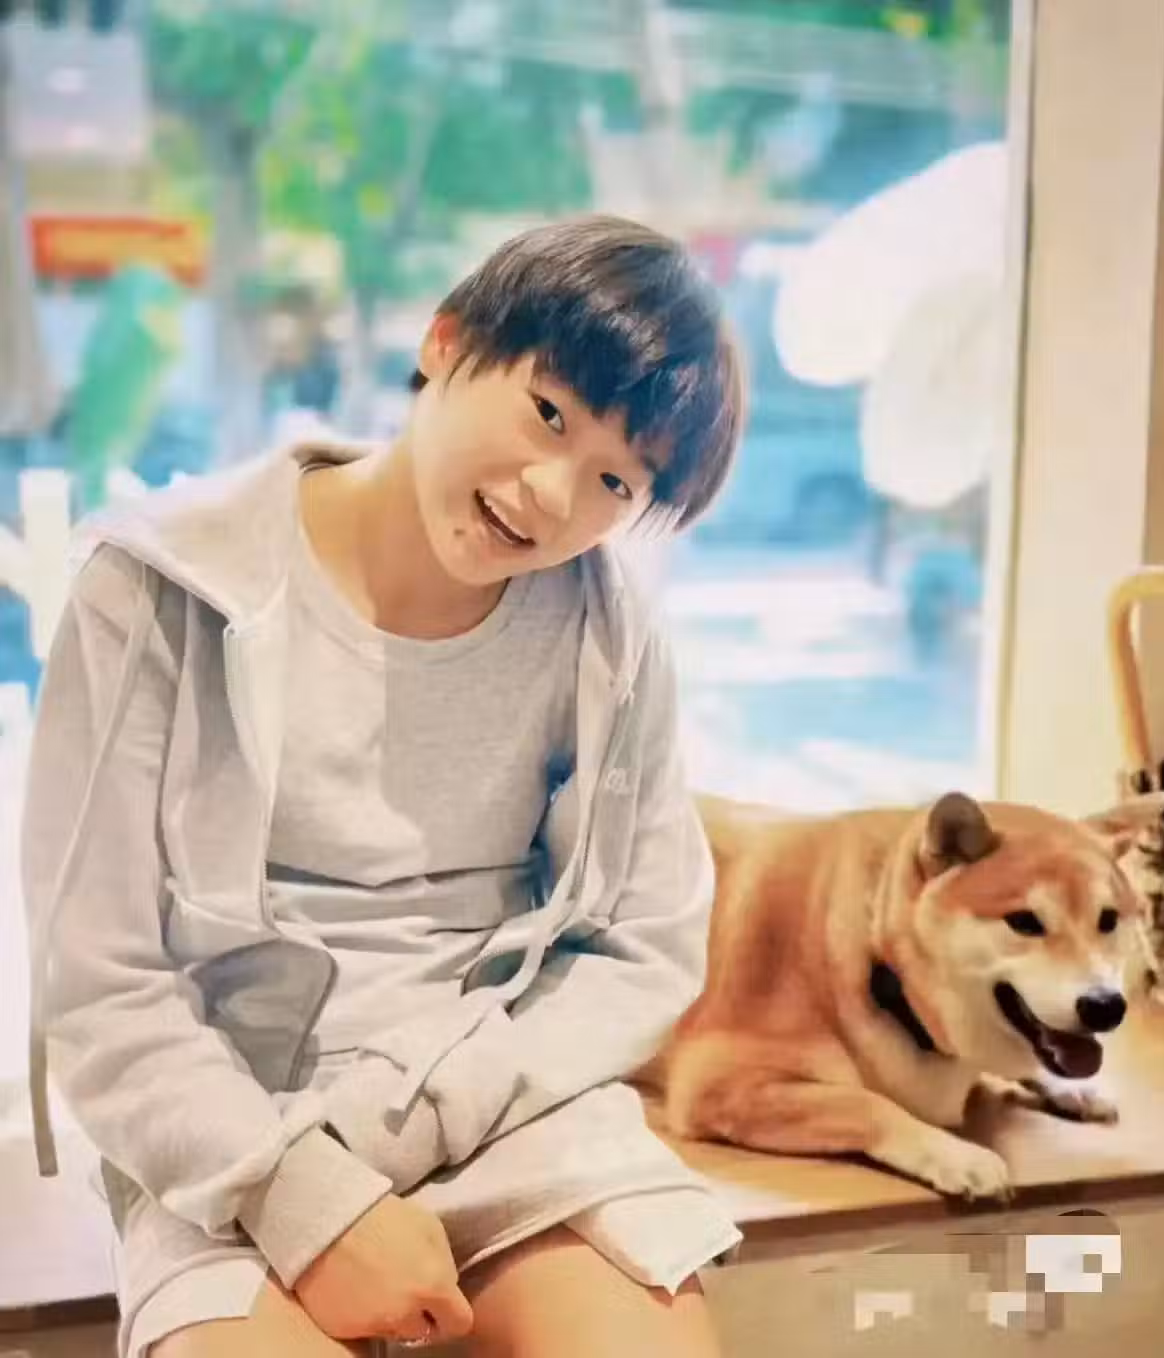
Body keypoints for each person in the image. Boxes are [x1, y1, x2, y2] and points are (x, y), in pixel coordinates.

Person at [23, 215, 746, 1358]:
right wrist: (300, 1192)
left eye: (615, 477)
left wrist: (422, 1111)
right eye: (548, 413)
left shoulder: (609, 637)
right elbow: (98, 981)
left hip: (508, 1104)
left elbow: (643, 946)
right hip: (229, 1130)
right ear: (445, 341)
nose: (552, 494)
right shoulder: (155, 584)